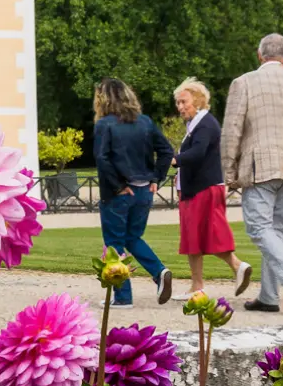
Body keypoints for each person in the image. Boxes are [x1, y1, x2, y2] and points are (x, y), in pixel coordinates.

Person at [220, 33, 283, 315]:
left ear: (259, 55)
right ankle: (268, 296)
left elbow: (231, 131)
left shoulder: (243, 82)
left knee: (258, 228)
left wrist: (229, 172)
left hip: (259, 166)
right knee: (276, 231)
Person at [92, 77, 176, 306]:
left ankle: (123, 297)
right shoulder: (145, 122)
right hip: (144, 190)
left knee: (114, 243)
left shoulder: (104, 125)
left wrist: (118, 186)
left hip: (119, 193)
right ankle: (159, 271)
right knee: (132, 237)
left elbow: (102, 158)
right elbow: (166, 151)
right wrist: (156, 177)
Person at [173, 79, 252, 296]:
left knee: (201, 238)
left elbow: (198, 153)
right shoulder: (197, 125)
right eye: (178, 103)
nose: (180, 107)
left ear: (198, 100)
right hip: (198, 187)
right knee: (197, 239)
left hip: (203, 188)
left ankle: (235, 266)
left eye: (184, 102)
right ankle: (199, 285)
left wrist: (175, 160)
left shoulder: (205, 124)